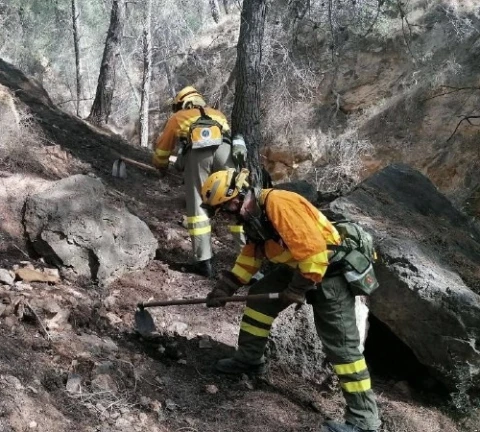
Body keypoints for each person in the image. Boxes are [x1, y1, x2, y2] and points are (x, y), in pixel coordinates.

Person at [199, 168, 381, 432]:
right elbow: (252, 255)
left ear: (239, 195)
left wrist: (296, 289)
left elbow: (315, 254)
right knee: (260, 301)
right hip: (299, 268)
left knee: (342, 347)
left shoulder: (278, 204)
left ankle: (364, 421)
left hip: (329, 274)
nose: (228, 215)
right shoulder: (255, 216)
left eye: (227, 208)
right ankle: (249, 359)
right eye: (223, 212)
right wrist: (226, 287)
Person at [152, 86, 247, 278]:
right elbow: (227, 136)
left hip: (197, 156)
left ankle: (204, 262)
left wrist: (160, 166)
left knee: (198, 207)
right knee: (237, 201)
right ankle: (248, 259)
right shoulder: (218, 114)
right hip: (225, 151)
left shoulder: (178, 117)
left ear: (182, 104)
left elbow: (163, 149)